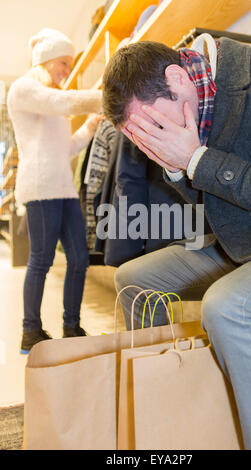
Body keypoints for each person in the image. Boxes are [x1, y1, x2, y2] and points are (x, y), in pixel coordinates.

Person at [101, 37, 251, 449]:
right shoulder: (191, 102)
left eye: (152, 127)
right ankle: (169, 409)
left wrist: (196, 160)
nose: (151, 140)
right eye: (139, 137)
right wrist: (179, 168)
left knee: (229, 305)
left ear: (176, 78)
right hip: (240, 241)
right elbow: (214, 204)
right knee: (133, 279)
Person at [7, 28, 103, 353]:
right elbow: (63, 100)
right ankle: (30, 331)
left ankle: (71, 326)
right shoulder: (24, 89)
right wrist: (106, 94)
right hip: (40, 189)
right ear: (46, 59)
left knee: (79, 259)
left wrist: (90, 126)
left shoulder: (53, 103)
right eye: (63, 63)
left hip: (63, 189)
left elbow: (67, 148)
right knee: (41, 260)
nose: (66, 70)